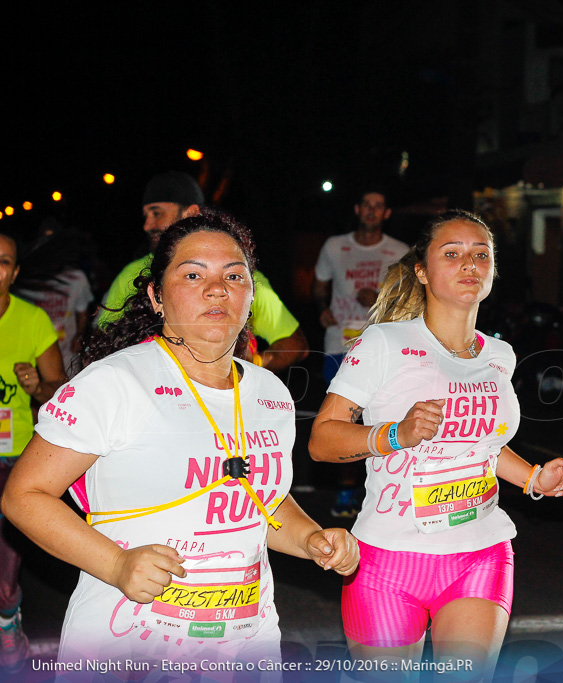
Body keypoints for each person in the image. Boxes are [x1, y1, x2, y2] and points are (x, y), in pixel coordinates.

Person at [1, 211, 358, 666]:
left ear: (252, 296)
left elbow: (261, 500)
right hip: (131, 641)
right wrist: (116, 565)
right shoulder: (114, 382)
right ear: (156, 297)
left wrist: (311, 538)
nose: (217, 288)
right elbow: (24, 495)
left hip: (246, 640)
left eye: (234, 275)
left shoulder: (270, 393)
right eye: (193, 274)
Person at [308, 209, 563, 676]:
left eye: (481, 254)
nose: (469, 264)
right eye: (451, 254)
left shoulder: (499, 355)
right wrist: (396, 434)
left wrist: (534, 477)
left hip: (480, 552)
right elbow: (322, 441)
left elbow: (483, 447)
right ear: (421, 270)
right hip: (388, 559)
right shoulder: (384, 344)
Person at [98, 170, 308, 372]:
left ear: (190, 213)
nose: (147, 225)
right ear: (156, 294)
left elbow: (294, 344)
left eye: (157, 213)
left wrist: (251, 367)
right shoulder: (132, 275)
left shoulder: (243, 281)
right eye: (191, 277)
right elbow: (104, 344)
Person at [312, 189, 407, 517]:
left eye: (378, 206)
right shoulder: (335, 246)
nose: (371, 211)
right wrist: (322, 308)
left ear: (386, 213)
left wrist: (381, 296)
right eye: (366, 204)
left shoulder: (399, 251)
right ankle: (345, 493)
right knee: (344, 422)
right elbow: (319, 284)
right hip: (340, 344)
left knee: (380, 419)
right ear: (357, 208)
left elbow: (412, 299)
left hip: (383, 346)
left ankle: (380, 493)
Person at [0, 230, 66, 671]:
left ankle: (7, 622)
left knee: (6, 565)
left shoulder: (33, 321)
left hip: (13, 454)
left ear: (15, 271)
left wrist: (36, 386)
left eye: (3, 261)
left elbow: (58, 388)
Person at [14, 218, 93, 374]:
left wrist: (79, 335)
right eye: (45, 239)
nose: (49, 245)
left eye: (54, 240)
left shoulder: (76, 278)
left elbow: (83, 311)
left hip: (67, 355)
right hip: (36, 354)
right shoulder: (26, 281)